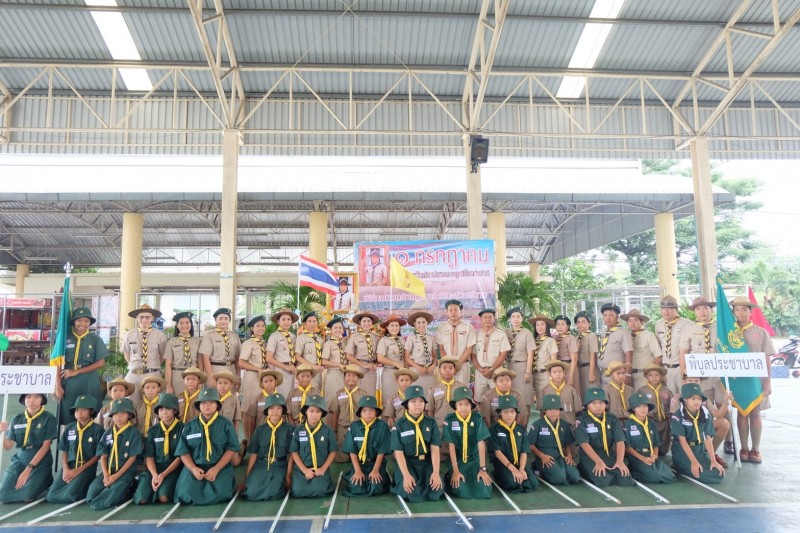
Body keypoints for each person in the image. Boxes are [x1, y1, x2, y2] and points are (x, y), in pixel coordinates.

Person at [680, 296, 733, 455]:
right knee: (704, 409)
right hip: (700, 377)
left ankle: (729, 440)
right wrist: (684, 372)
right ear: (694, 311)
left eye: (705, 308)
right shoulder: (689, 329)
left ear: (711, 309)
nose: (702, 311)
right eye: (698, 309)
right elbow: (683, 351)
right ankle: (707, 444)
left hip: (720, 375)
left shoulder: (720, 327)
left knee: (724, 407)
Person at [175, 388, 240, 505]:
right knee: (184, 494)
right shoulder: (190, 426)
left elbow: (231, 449)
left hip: (219, 466)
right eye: (203, 402)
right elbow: (183, 452)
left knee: (222, 493)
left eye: (211, 402)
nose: (207, 405)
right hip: (196, 466)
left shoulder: (226, 424)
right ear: (199, 405)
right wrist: (193, 469)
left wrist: (216, 469)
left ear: (217, 405)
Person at [730, 295, 774, 464]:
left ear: (750, 312)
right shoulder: (729, 333)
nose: (741, 313)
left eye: (744, 309)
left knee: (755, 412)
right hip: (738, 379)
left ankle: (755, 449)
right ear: (733, 312)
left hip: (756, 380)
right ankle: (744, 448)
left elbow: (767, 358)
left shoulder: (760, 332)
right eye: (737, 310)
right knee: (742, 412)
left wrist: (768, 381)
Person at [54, 307, 109, 425]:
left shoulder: (95, 339)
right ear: (74, 321)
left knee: (91, 410)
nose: (82, 324)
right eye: (79, 320)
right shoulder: (65, 338)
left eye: (86, 321)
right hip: (68, 381)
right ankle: (69, 435)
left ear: (90, 323)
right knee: (68, 412)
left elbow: (101, 363)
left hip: (89, 381)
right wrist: (57, 386)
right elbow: (57, 363)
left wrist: (76, 371)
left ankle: (91, 435)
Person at [0, 393, 58, 503]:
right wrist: (1, 433)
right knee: (2, 495)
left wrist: (27, 470)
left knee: (28, 495)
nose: (32, 400)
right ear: (23, 400)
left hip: (40, 460)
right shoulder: (17, 419)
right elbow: (8, 446)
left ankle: (45, 481)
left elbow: (45, 447)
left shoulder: (48, 418)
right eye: (28, 397)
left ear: (42, 400)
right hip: (21, 458)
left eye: (36, 397)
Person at [86, 398, 142, 510]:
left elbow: (133, 457)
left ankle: (129, 486)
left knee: (105, 500)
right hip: (109, 470)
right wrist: (106, 474)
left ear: (129, 415)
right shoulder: (108, 432)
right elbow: (103, 455)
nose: (118, 417)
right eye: (115, 414)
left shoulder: (134, 433)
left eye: (123, 413)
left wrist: (116, 476)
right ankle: (121, 488)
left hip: (125, 472)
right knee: (91, 496)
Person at [390, 384, 444, 502]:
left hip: (426, 463)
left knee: (436, 491)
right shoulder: (399, 425)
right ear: (406, 405)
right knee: (410, 492)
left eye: (421, 401)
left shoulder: (431, 423)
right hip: (408, 464)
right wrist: (406, 475)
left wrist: (435, 473)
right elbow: (398, 453)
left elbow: (435, 449)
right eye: (413, 401)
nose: (418, 404)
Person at [47, 395, 105, 503]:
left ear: (91, 411)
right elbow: (64, 449)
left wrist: (78, 470)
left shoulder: (98, 430)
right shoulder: (70, 427)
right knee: (51, 495)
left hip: (86, 468)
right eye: (77, 410)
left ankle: (83, 487)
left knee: (70, 495)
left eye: (84, 410)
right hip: (70, 466)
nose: (79, 413)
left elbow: (98, 455)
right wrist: (65, 468)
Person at [574, 387, 634, 487]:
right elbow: (584, 444)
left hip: (609, 454)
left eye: (601, 403)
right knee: (602, 480)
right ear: (588, 405)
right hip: (590, 456)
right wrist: (598, 461)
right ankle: (584, 470)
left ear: (605, 404)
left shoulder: (612, 418)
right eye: (594, 403)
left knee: (626, 479)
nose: (598, 406)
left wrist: (620, 461)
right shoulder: (582, 420)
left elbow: (620, 441)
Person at [240, 393, 294, 501]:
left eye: (278, 408)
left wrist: (288, 475)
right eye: (271, 408)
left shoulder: (289, 429)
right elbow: (254, 455)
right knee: (250, 492)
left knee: (275, 491)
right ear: (267, 411)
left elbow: (292, 454)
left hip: (280, 465)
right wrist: (246, 478)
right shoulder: (260, 430)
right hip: (262, 465)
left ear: (283, 411)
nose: (275, 411)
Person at [442, 386, 492, 499]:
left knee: (484, 490)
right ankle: (450, 475)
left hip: (474, 460)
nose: (464, 407)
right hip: (458, 460)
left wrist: (482, 469)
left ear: (471, 406)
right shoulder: (449, 420)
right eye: (460, 404)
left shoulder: (477, 419)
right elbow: (451, 446)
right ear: (455, 406)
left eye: (467, 404)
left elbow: (481, 443)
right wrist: (455, 471)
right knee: (460, 489)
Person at [134, 393, 185, 504]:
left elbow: (180, 457)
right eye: (161, 409)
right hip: (154, 468)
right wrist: (155, 475)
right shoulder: (153, 430)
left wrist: (163, 474)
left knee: (163, 497)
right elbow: (149, 456)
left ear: (175, 411)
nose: (164, 412)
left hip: (173, 469)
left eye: (168, 409)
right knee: (142, 499)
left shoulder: (183, 428)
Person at [671, 383, 725, 484]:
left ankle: (690, 467)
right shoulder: (677, 416)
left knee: (719, 473)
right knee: (700, 474)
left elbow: (707, 438)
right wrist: (694, 462)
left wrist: (713, 461)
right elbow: (682, 441)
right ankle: (679, 465)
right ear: (685, 400)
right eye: (693, 398)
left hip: (699, 450)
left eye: (699, 399)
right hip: (683, 452)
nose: (697, 401)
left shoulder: (705, 414)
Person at [341, 395, 392, 497]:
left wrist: (375, 471)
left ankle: (382, 475)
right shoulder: (354, 427)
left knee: (376, 486)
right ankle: (353, 474)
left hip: (376, 463)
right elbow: (352, 451)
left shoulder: (383, 427)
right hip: (360, 464)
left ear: (376, 412)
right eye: (364, 411)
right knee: (356, 486)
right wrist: (358, 471)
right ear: (360, 413)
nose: (368, 413)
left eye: (371, 410)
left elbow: (382, 451)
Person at [290, 394, 338, 498]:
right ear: (306, 412)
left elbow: (333, 452)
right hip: (302, 470)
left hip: (320, 469)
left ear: (322, 414)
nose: (314, 414)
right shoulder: (298, 430)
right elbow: (294, 452)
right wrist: (304, 470)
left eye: (318, 412)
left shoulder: (327, 431)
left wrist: (323, 469)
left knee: (320, 490)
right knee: (298, 491)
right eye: (311, 411)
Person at [487, 395, 537, 493]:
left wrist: (521, 469)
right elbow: (497, 452)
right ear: (500, 413)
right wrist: (513, 469)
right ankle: (497, 474)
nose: (509, 415)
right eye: (506, 412)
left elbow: (524, 451)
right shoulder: (494, 429)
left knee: (533, 483)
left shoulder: (521, 429)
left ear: (516, 413)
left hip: (518, 463)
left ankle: (518, 474)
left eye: (512, 412)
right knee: (512, 484)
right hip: (503, 464)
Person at [528, 394, 580, 486]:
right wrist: (542, 456)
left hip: (560, 456)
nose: (553, 412)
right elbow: (530, 445)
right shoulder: (537, 424)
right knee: (559, 479)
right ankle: (537, 467)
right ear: (545, 410)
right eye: (550, 409)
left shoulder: (564, 425)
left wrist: (569, 455)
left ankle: (556, 470)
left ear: (560, 410)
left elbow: (567, 443)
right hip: (545, 457)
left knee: (575, 477)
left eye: (556, 409)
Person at [623, 392, 675, 484]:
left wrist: (655, 455)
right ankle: (634, 473)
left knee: (670, 476)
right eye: (639, 406)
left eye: (645, 406)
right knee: (654, 478)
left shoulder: (651, 424)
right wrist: (643, 458)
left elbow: (656, 444)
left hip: (650, 456)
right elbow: (627, 447)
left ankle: (651, 471)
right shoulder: (627, 425)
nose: (643, 409)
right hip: (637, 457)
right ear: (633, 409)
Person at [679, 377, 731, 468]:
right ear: (684, 381)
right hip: (686, 431)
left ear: (701, 382)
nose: (693, 383)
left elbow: (718, 415)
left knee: (724, 423)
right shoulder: (678, 398)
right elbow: (674, 422)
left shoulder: (704, 398)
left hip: (701, 429)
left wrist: (726, 402)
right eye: (690, 380)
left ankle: (710, 454)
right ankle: (686, 457)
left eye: (696, 381)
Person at [123, 304, 168, 403]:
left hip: (152, 374)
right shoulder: (129, 335)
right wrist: (136, 367)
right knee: (132, 403)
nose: (144, 320)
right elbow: (127, 354)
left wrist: (152, 366)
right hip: (134, 375)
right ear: (137, 318)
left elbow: (162, 355)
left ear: (152, 318)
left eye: (147, 317)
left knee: (153, 403)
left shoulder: (160, 336)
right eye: (141, 317)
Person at [654, 296, 694, 394]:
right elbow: (658, 347)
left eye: (669, 308)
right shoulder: (658, 324)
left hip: (682, 368)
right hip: (666, 369)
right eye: (663, 308)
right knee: (671, 398)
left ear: (676, 309)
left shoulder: (687, 324)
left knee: (686, 395)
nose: (666, 311)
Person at [330, 364, 367, 462]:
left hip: (359, 427)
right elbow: (335, 413)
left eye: (354, 375)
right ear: (344, 378)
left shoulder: (363, 394)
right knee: (341, 459)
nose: (351, 378)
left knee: (361, 458)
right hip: (343, 428)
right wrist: (334, 431)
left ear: (358, 378)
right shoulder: (338, 394)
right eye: (348, 375)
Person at [471, 309, 511, 400]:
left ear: (494, 318)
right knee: (479, 398)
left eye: (490, 317)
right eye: (485, 317)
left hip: (496, 371)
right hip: (480, 372)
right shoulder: (475, 335)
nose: (487, 319)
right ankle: (482, 410)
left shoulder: (501, 334)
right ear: (481, 319)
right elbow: (473, 355)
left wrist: (491, 369)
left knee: (498, 397)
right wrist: (480, 369)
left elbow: (503, 354)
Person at [435, 300, 476, 386]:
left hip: (463, 365)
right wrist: (449, 365)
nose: (453, 312)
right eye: (450, 310)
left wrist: (457, 365)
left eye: (456, 310)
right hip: (447, 367)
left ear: (460, 312)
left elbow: (469, 349)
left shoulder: (468, 327)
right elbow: (441, 348)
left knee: (462, 390)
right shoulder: (441, 327)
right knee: (447, 390)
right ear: (447, 312)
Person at [621, 309, 661, 390]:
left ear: (642, 322)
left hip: (644, 375)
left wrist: (653, 374)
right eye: (630, 320)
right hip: (629, 375)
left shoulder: (649, 335)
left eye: (635, 320)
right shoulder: (626, 336)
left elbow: (658, 357)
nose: (632, 323)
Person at [638, 363, 672, 456]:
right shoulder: (642, 391)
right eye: (651, 375)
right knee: (651, 441)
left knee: (665, 442)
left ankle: (663, 458)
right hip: (650, 421)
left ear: (661, 376)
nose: (654, 378)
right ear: (646, 377)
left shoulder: (666, 391)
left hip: (664, 422)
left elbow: (671, 406)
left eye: (657, 375)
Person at [238, 315, 271, 412]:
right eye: (258, 326)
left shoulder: (264, 343)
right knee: (250, 407)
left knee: (261, 406)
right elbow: (241, 362)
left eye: (263, 326)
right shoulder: (249, 343)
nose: (261, 328)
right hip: (252, 377)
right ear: (252, 328)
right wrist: (258, 369)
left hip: (263, 377)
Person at [265, 307, 300, 398]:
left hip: (292, 370)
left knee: (291, 397)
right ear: (278, 321)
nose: (286, 322)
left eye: (288, 319)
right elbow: (268, 358)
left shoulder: (293, 337)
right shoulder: (274, 336)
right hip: (280, 370)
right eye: (283, 319)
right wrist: (285, 367)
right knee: (281, 397)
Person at [504, 307, 536, 407]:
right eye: (513, 317)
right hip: (509, 367)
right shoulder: (506, 333)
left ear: (522, 318)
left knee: (525, 398)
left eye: (518, 316)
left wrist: (528, 372)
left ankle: (525, 418)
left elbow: (531, 353)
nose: (516, 319)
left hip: (522, 367)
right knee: (511, 397)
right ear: (510, 319)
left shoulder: (527, 333)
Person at [164, 312, 200, 395]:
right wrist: (168, 385)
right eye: (181, 323)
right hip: (177, 377)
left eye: (187, 323)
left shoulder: (197, 341)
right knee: (178, 400)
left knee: (194, 400)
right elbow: (168, 365)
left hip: (194, 376)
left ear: (191, 324)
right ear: (177, 325)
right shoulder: (171, 342)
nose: (184, 325)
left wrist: (200, 381)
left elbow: (200, 363)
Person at [346, 312, 382, 395]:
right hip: (359, 370)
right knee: (358, 395)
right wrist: (364, 365)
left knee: (370, 394)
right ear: (360, 323)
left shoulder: (376, 337)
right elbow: (348, 355)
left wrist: (375, 364)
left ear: (372, 323)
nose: (366, 323)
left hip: (371, 370)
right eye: (364, 321)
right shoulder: (354, 337)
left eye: (369, 321)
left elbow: (378, 355)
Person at [597, 303, 633, 385]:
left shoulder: (623, 332)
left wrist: (627, 374)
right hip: (604, 373)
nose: (608, 318)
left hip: (618, 374)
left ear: (617, 317)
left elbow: (629, 354)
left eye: (611, 315)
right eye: (605, 315)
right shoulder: (604, 332)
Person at [377, 315, 407, 406]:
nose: (395, 328)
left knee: (401, 399)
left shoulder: (401, 339)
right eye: (392, 325)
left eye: (397, 325)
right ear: (387, 327)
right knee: (389, 400)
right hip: (389, 373)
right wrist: (395, 364)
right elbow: (380, 358)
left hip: (402, 373)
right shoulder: (384, 340)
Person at [244, 369, 283, 440]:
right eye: (266, 381)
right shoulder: (258, 398)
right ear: (262, 383)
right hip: (260, 433)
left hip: (277, 433)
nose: (269, 384)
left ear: (276, 382)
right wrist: (251, 437)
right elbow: (252, 418)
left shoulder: (280, 398)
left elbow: (283, 417)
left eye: (271, 381)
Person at [404, 311, 437, 393]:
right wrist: (418, 367)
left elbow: (435, 355)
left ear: (427, 323)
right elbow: (406, 357)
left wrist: (433, 365)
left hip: (429, 371)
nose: (421, 325)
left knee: (429, 394)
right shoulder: (411, 337)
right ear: (414, 324)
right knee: (417, 394)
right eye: (418, 322)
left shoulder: (431, 338)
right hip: (416, 370)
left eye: (423, 322)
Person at [427, 356, 465, 428]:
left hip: (458, 426)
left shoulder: (461, 387)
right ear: (440, 371)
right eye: (444, 368)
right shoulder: (433, 389)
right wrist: (432, 428)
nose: (447, 370)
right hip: (439, 426)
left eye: (450, 368)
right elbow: (430, 410)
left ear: (455, 370)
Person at [541, 361, 582, 425]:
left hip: (569, 426)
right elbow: (542, 412)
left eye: (560, 372)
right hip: (551, 426)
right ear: (549, 374)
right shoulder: (545, 391)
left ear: (564, 373)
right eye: (554, 372)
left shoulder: (571, 390)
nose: (558, 374)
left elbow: (578, 410)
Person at [530, 314, 557, 409]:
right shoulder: (533, 341)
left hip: (546, 375)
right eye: (537, 325)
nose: (540, 327)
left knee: (547, 402)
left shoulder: (550, 341)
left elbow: (554, 360)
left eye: (542, 324)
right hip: (535, 375)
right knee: (539, 403)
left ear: (547, 326)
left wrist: (551, 376)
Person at [295, 312, 326, 391]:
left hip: (318, 372)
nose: (312, 324)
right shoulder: (301, 338)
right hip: (306, 372)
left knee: (317, 392)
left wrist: (323, 366)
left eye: (314, 321)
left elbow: (322, 356)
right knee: (306, 392)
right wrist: (313, 366)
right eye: (309, 321)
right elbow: (297, 357)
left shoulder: (320, 339)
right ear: (305, 324)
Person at [321, 317, 349, 404]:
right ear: (331, 330)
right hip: (333, 374)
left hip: (344, 375)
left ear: (343, 329)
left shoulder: (344, 343)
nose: (338, 330)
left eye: (340, 327)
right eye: (335, 328)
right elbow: (324, 361)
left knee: (342, 400)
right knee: (332, 400)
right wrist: (339, 365)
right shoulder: (328, 344)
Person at [574, 310, 600, 399]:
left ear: (589, 324)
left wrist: (591, 373)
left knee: (592, 396)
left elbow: (593, 356)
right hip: (579, 370)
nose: (580, 324)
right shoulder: (576, 338)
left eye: (583, 322)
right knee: (582, 396)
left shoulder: (592, 336)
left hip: (589, 368)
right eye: (578, 322)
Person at [554, 315, 579, 389]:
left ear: (568, 326)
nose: (560, 327)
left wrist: (571, 376)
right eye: (558, 324)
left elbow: (574, 359)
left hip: (569, 367)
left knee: (570, 390)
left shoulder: (571, 338)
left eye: (563, 324)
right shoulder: (555, 338)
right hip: (559, 368)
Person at [214, 371, 242, 435]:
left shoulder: (235, 400)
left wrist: (235, 434)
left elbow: (236, 419)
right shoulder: (212, 399)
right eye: (219, 383)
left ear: (231, 385)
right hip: (214, 430)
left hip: (228, 431)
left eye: (225, 383)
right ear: (216, 384)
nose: (222, 385)